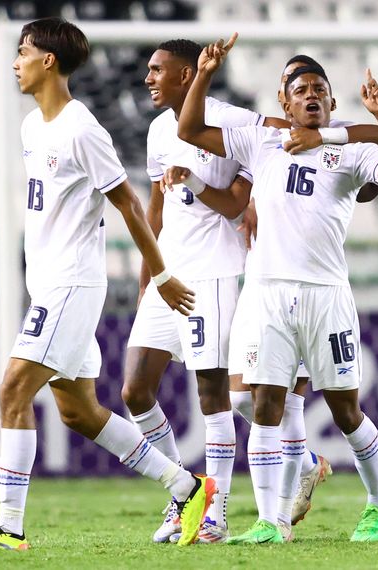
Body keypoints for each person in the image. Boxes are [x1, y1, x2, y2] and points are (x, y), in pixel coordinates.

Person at [0, 18, 213, 552]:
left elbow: (129, 204)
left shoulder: (82, 129)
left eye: (23, 52)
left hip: (71, 284)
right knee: (78, 411)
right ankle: (186, 487)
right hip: (50, 284)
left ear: (48, 61)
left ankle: (9, 527)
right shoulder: (32, 127)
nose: (15, 62)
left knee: (13, 390)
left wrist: (161, 275)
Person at [177, 33, 378, 544]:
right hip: (265, 293)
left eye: (320, 91)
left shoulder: (349, 153)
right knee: (264, 404)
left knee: (346, 411)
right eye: (301, 90)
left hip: (325, 295)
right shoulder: (260, 140)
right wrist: (204, 74)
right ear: (284, 104)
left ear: (332, 104)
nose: (312, 96)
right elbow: (191, 129)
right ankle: (271, 521)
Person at [123, 38, 284, 544]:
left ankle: (215, 514)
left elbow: (237, 204)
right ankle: (184, 493)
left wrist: (193, 181)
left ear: (186, 74)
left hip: (212, 274)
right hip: (169, 274)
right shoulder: (157, 129)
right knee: (135, 390)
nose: (148, 78)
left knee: (213, 396)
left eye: (158, 70)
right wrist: (150, 275)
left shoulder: (233, 122)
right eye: (148, 69)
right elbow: (155, 208)